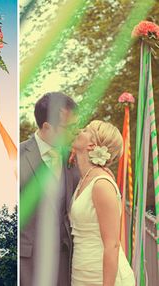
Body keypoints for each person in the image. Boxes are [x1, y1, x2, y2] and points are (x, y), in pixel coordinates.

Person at [20, 92, 80, 286]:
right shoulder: (17, 156)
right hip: (28, 264)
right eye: (69, 127)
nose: (75, 132)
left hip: (65, 264)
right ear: (47, 127)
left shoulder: (74, 158)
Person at [69, 120, 135, 286]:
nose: (79, 131)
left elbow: (112, 244)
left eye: (85, 130)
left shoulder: (101, 185)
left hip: (103, 278)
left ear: (91, 145)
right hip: (82, 273)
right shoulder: (85, 178)